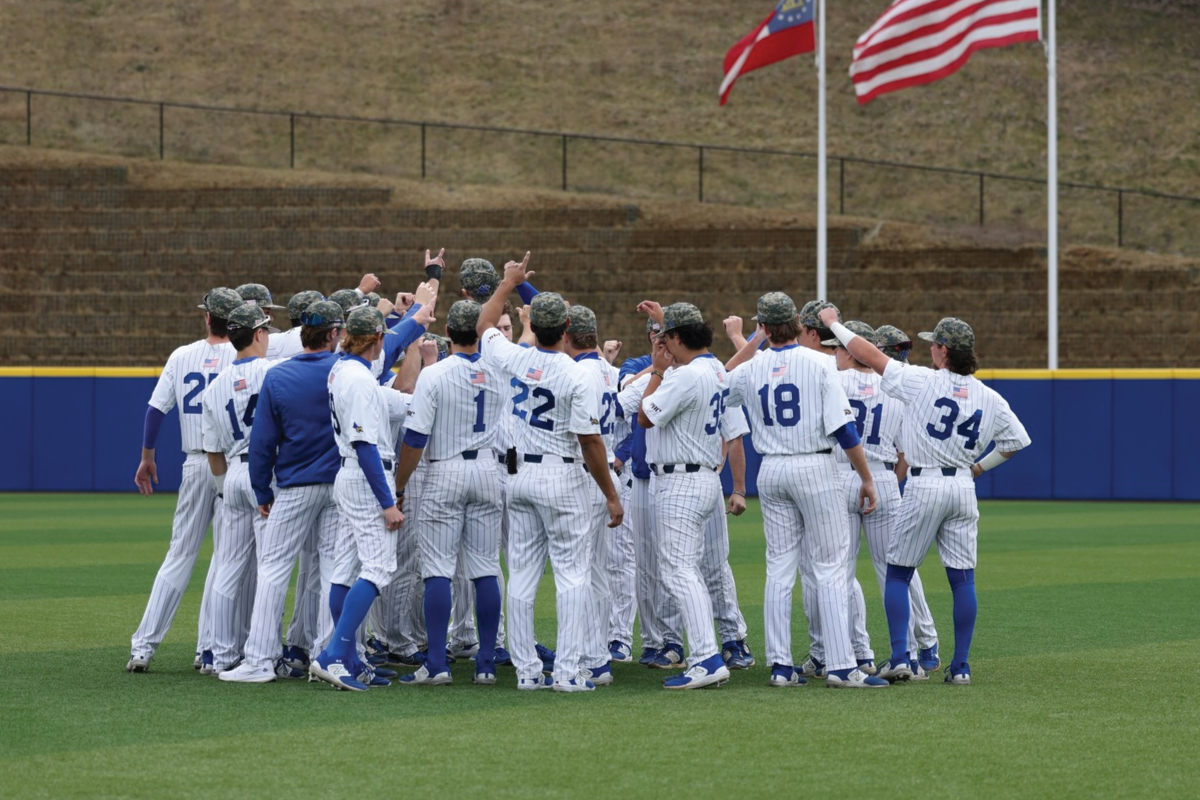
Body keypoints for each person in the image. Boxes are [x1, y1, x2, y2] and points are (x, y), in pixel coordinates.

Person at [821, 309, 1031, 685]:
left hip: (925, 482)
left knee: (898, 573)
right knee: (962, 581)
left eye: (935, 343)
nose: (931, 348)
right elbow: (1017, 440)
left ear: (944, 351)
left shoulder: (922, 380)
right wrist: (979, 468)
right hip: (962, 487)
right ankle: (960, 667)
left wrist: (834, 324)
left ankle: (900, 656)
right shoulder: (990, 396)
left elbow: (869, 355)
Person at [475, 254, 623, 692]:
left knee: (521, 577)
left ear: (534, 326)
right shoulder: (577, 375)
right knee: (572, 576)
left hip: (519, 477)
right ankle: (568, 672)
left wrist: (507, 282)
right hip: (563, 478)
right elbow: (590, 442)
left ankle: (526, 671)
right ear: (567, 328)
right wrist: (611, 494)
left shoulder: (515, 357)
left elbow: (484, 324)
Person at [724, 293, 888, 689]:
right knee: (831, 566)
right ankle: (842, 666)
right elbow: (844, 428)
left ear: (763, 326)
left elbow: (718, 384)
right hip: (814, 466)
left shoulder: (751, 366)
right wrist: (866, 476)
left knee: (779, 568)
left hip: (771, 469)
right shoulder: (821, 363)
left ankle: (781, 666)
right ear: (798, 324)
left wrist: (752, 342)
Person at [219, 300, 348, 683]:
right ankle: (326, 658)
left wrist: (261, 490)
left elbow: (262, 442)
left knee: (274, 568)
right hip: (338, 484)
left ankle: (260, 660)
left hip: (294, 486)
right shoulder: (346, 370)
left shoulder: (278, 375)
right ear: (332, 333)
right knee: (332, 571)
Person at [127, 287, 241, 674]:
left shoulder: (181, 355)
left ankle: (143, 648)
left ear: (207, 317)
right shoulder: (244, 357)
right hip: (230, 465)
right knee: (224, 557)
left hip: (194, 463)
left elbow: (155, 410)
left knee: (179, 555)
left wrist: (147, 457)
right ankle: (207, 650)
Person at [393, 300, 506, 686]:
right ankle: (486, 663)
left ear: (448, 333)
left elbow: (415, 438)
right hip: (487, 469)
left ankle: (437, 663)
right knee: (485, 567)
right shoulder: (499, 370)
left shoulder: (435, 373)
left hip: (445, 468)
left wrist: (400, 485)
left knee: (438, 568)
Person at [821, 321, 941, 678]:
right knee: (895, 572)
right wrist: (883, 483)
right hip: (884, 477)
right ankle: (911, 654)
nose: (834, 352)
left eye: (838, 347)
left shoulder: (833, 380)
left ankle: (851, 655)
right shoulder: (895, 387)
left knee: (839, 572)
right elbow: (906, 453)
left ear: (850, 350)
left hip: (840, 474)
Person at [634, 300, 743, 690]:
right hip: (705, 477)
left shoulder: (683, 375)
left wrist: (657, 371)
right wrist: (668, 322)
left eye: (667, 337)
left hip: (680, 480)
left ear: (679, 338)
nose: (663, 345)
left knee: (679, 571)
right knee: (689, 570)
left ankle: (706, 658)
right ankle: (709, 654)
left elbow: (645, 416)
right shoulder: (714, 367)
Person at [310, 307, 411, 691]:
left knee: (345, 569)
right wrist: (388, 502)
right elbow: (365, 445)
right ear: (378, 338)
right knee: (379, 567)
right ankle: (333, 655)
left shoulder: (344, 368)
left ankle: (350, 657)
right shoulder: (356, 377)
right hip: (366, 475)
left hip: (350, 474)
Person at [200, 303, 277, 674]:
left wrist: (222, 490)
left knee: (227, 569)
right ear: (259, 333)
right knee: (269, 568)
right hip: (266, 474)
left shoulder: (214, 387)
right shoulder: (274, 372)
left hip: (231, 473)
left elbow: (212, 451)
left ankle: (220, 654)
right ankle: (264, 652)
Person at [563, 305, 623, 687]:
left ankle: (590, 657)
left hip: (589, 477)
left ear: (567, 335)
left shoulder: (578, 372)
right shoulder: (604, 369)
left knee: (580, 570)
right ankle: (598, 657)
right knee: (596, 570)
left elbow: (587, 439)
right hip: (604, 477)